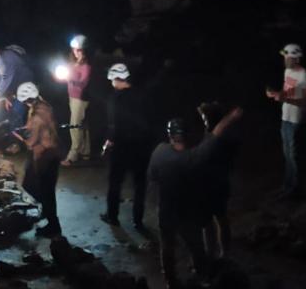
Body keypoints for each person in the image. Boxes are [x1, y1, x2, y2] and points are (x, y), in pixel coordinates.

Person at [148, 110, 243, 289]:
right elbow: (214, 136)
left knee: (167, 248)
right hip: (186, 214)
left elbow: (152, 178)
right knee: (196, 248)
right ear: (187, 135)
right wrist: (231, 116)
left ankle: (170, 281)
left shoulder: (159, 151)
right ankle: (202, 280)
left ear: (170, 135)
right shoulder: (193, 157)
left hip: (165, 210)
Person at [100, 63, 152, 228]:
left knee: (115, 182)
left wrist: (108, 142)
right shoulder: (141, 95)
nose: (111, 84)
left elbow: (113, 124)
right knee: (140, 185)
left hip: (121, 147)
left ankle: (112, 216)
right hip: (141, 147)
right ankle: (138, 220)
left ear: (116, 78)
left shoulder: (115, 98)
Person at [13, 82, 63, 237]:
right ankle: (47, 212)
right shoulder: (44, 106)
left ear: (27, 100)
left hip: (44, 157)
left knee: (39, 189)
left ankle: (53, 226)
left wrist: (20, 136)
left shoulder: (36, 116)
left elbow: (32, 142)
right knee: (45, 190)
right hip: (53, 154)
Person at [265, 43, 306, 198]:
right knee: (287, 156)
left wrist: (284, 98)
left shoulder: (304, 76)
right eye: (284, 57)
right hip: (285, 119)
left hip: (296, 121)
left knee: (294, 156)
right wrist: (276, 94)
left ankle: (295, 190)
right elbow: (288, 93)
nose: (285, 59)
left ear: (296, 58)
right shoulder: (288, 72)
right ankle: (287, 186)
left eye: (288, 57)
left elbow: (304, 101)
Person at [198, 101, 239, 259]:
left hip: (214, 184)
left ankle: (215, 253)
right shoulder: (215, 133)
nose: (203, 121)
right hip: (218, 183)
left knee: (212, 221)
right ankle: (220, 253)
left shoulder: (219, 137)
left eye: (205, 118)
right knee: (218, 219)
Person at [55, 35, 92, 166]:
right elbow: (66, 76)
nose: (77, 52)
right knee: (82, 124)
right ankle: (85, 151)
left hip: (81, 99)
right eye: (75, 50)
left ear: (85, 50)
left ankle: (73, 155)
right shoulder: (73, 63)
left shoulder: (86, 66)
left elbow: (82, 84)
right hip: (72, 97)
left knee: (74, 126)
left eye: (80, 50)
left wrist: (71, 76)